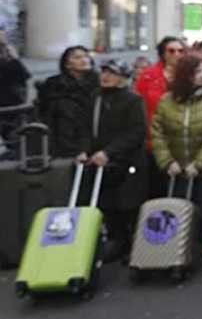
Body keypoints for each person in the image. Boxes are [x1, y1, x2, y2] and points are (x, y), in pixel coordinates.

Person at [151, 55, 202, 260]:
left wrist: (200, 163)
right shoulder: (166, 101)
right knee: (175, 205)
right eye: (197, 72)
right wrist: (167, 161)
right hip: (175, 165)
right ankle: (174, 242)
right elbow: (157, 132)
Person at [76, 59, 146, 263]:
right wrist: (83, 150)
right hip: (99, 161)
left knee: (128, 204)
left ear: (122, 78)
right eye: (104, 72)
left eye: (112, 73)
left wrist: (109, 152)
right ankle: (118, 240)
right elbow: (86, 127)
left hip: (126, 161)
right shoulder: (95, 97)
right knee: (107, 204)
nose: (105, 77)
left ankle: (135, 245)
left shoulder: (132, 100)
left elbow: (136, 132)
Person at [134, 36, 186, 197]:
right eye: (171, 50)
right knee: (156, 188)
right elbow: (138, 104)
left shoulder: (189, 75)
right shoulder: (148, 76)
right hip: (154, 139)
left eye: (180, 51)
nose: (176, 54)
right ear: (163, 53)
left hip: (181, 140)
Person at [36, 46, 99, 158]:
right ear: (67, 64)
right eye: (77, 57)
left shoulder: (99, 83)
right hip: (62, 140)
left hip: (93, 141)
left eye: (86, 56)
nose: (84, 60)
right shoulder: (53, 85)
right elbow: (45, 112)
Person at [0, 27, 31, 144]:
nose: (2, 39)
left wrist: (14, 59)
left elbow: (24, 75)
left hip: (13, 102)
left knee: (13, 136)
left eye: (3, 36)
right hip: (7, 101)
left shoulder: (8, 52)